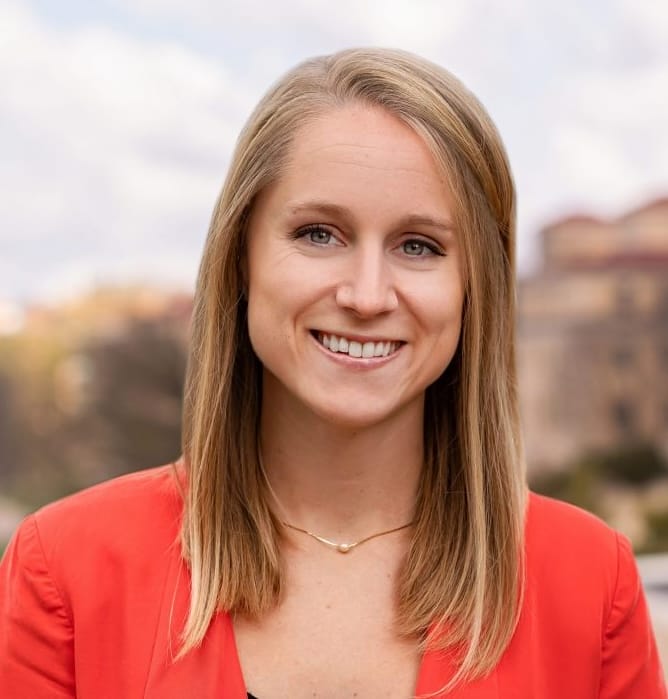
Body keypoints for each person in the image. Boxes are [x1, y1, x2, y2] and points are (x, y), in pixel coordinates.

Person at [0, 47, 665, 699]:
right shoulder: (65, 571)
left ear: (475, 291)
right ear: (241, 257)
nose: (368, 294)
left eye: (419, 246)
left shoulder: (587, 583)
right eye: (320, 233)